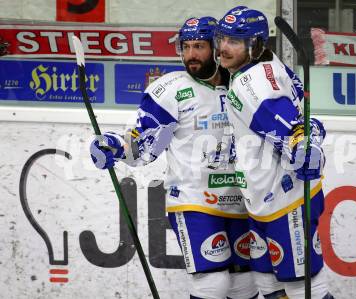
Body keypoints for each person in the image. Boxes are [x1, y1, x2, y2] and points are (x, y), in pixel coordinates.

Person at [89, 16, 258, 299]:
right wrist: (114, 145)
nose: (191, 55)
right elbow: (144, 141)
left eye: (199, 47)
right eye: (186, 47)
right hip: (195, 201)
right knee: (212, 284)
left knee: (245, 284)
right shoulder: (171, 90)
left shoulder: (243, 84)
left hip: (242, 200)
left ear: (217, 47)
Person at [215, 6, 334, 299]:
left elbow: (283, 125)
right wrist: (308, 136)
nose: (223, 48)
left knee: (302, 287)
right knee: (270, 285)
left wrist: (299, 144)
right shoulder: (269, 64)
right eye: (223, 39)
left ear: (254, 45)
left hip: (285, 200)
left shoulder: (249, 82)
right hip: (264, 198)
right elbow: (300, 122)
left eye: (234, 41)